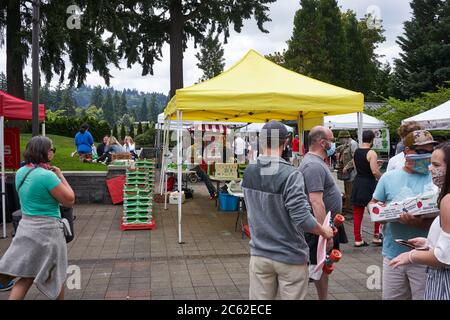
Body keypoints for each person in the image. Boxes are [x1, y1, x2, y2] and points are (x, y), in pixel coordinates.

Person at [242, 121, 334, 300]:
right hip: (290, 256)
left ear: (261, 142)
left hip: (260, 254)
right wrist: (325, 231)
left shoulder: (249, 171)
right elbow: (302, 219)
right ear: (285, 143)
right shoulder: (291, 175)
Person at [0, 136, 75, 300]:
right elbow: (69, 200)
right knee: (56, 275)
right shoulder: (47, 176)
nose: (53, 153)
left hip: (26, 228)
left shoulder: (21, 172)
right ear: (44, 153)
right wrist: (60, 175)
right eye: (52, 150)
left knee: (26, 276)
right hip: (48, 231)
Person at [371, 130, 438, 300]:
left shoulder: (436, 178)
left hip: (425, 257)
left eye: (430, 151)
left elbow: (443, 222)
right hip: (393, 254)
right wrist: (380, 210)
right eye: (421, 151)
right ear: (407, 152)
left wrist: (418, 223)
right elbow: (373, 204)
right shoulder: (389, 177)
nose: (427, 156)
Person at [389, 142, 450, 300]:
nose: (431, 169)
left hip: (444, 282)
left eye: (436, 165)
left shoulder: (448, 201)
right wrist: (428, 243)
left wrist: (411, 256)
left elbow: (444, 257)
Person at [298, 126, 348, 300]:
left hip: (326, 225)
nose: (334, 144)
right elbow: (316, 201)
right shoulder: (313, 165)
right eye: (332, 140)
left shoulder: (318, 162)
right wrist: (324, 233)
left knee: (322, 267)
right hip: (319, 227)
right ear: (322, 142)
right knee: (311, 269)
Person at [350, 130, 383, 247]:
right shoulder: (372, 153)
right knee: (376, 210)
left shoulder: (356, 152)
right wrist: (383, 177)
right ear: (372, 139)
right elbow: (374, 171)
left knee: (357, 212)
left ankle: (358, 240)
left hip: (358, 182)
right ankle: (376, 237)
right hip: (369, 183)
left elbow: (356, 167)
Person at [335, 130, 359, 216]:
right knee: (347, 191)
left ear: (345, 137)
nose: (340, 141)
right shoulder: (347, 144)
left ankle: (351, 211)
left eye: (341, 139)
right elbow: (340, 148)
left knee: (350, 192)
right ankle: (347, 208)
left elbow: (355, 158)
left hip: (352, 173)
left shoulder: (353, 144)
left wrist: (347, 166)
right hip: (347, 173)